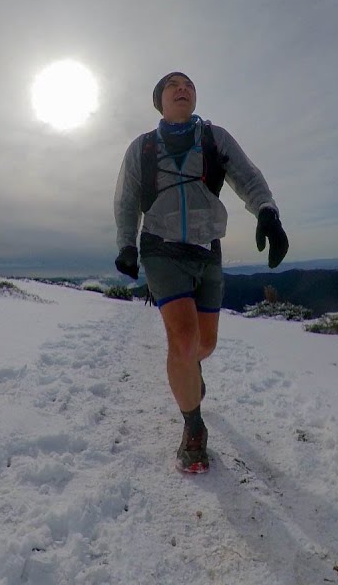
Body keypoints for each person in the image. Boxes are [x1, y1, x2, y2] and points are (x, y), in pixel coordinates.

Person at [113, 71, 288, 473]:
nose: (182, 89)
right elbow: (125, 199)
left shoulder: (215, 139)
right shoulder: (142, 148)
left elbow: (248, 177)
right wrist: (126, 243)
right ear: (160, 101)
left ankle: (192, 373)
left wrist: (268, 212)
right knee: (184, 338)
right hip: (160, 248)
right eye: (173, 85)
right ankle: (193, 428)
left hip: (208, 250)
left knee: (204, 345)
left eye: (189, 84)